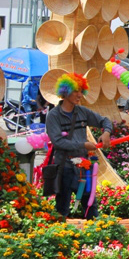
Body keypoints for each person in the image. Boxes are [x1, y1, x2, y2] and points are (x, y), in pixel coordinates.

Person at [44, 73, 112, 218]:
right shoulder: (53, 116)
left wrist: (106, 132)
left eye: (82, 91)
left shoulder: (82, 112)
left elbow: (105, 121)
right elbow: (58, 142)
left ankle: (96, 235)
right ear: (66, 91)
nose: (80, 95)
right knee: (62, 207)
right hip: (64, 167)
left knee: (90, 205)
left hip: (84, 167)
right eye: (76, 91)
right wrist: (83, 145)